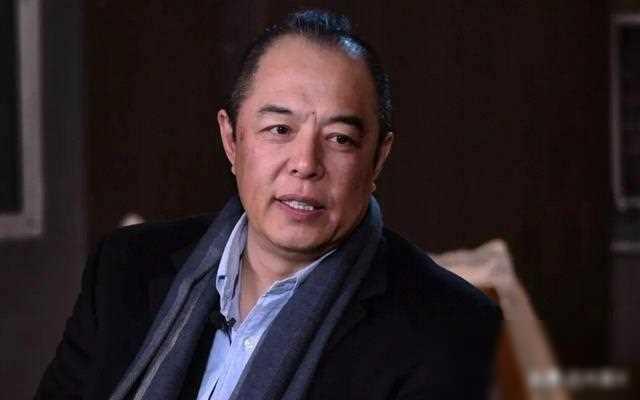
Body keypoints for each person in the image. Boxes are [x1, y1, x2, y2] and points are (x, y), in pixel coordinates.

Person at [36, 10, 501, 400]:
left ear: (378, 157)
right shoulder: (126, 268)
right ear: (231, 139)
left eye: (340, 139)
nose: (305, 164)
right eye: (279, 129)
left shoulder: (449, 328)